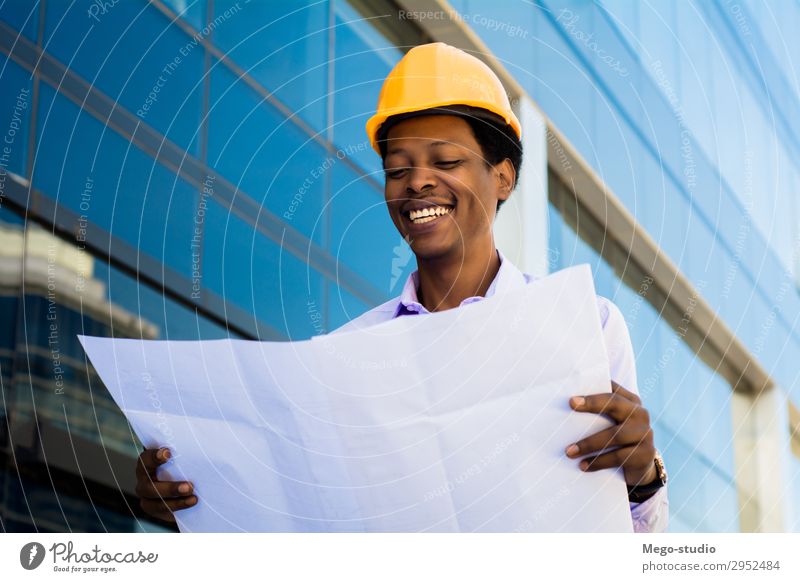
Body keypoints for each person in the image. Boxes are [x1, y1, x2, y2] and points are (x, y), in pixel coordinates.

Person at [135, 42, 668, 533]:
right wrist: (191, 501)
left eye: (447, 161)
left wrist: (644, 476)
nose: (417, 182)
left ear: (503, 177)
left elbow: (636, 540)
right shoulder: (344, 357)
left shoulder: (584, 327)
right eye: (398, 169)